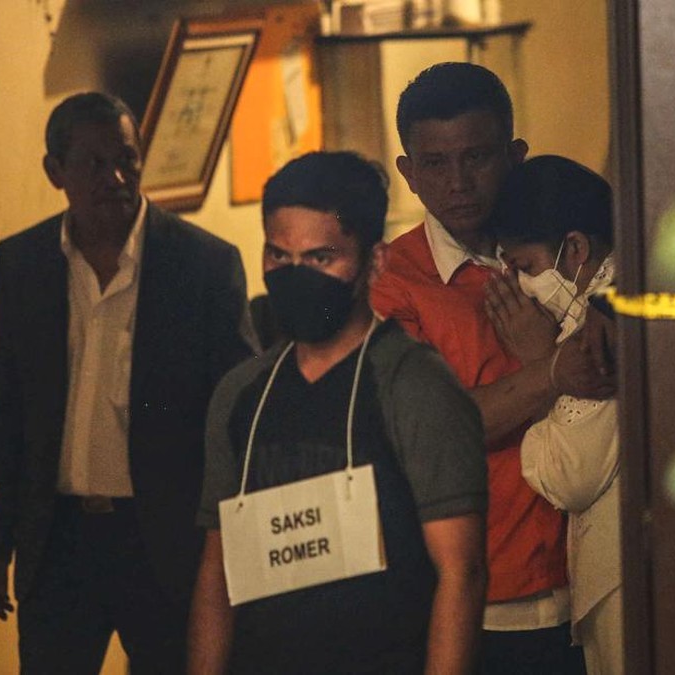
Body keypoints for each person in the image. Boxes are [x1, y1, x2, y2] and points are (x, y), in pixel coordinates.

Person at [0, 92, 256, 673]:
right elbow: (0, 411)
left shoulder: (202, 265)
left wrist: (229, 539)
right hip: (58, 540)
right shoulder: (22, 263)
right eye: (94, 164)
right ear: (56, 171)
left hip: (165, 541)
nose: (116, 177)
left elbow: (238, 412)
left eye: (126, 158)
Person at [189, 151, 489, 674]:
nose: (296, 275)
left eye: (321, 258)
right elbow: (217, 572)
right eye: (279, 256)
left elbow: (461, 574)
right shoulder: (241, 395)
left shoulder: (413, 386)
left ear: (374, 262)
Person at [371, 62, 613, 674]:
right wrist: (554, 368)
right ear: (408, 173)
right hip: (482, 596)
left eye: (477, 158)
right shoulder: (394, 281)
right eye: (435, 164)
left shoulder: (567, 242)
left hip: (595, 573)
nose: (458, 183)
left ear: (515, 154)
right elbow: (434, 430)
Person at [488, 156, 623, 675]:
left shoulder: (603, 320)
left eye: (525, 267)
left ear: (576, 250)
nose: (520, 288)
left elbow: (569, 476)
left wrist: (543, 363)